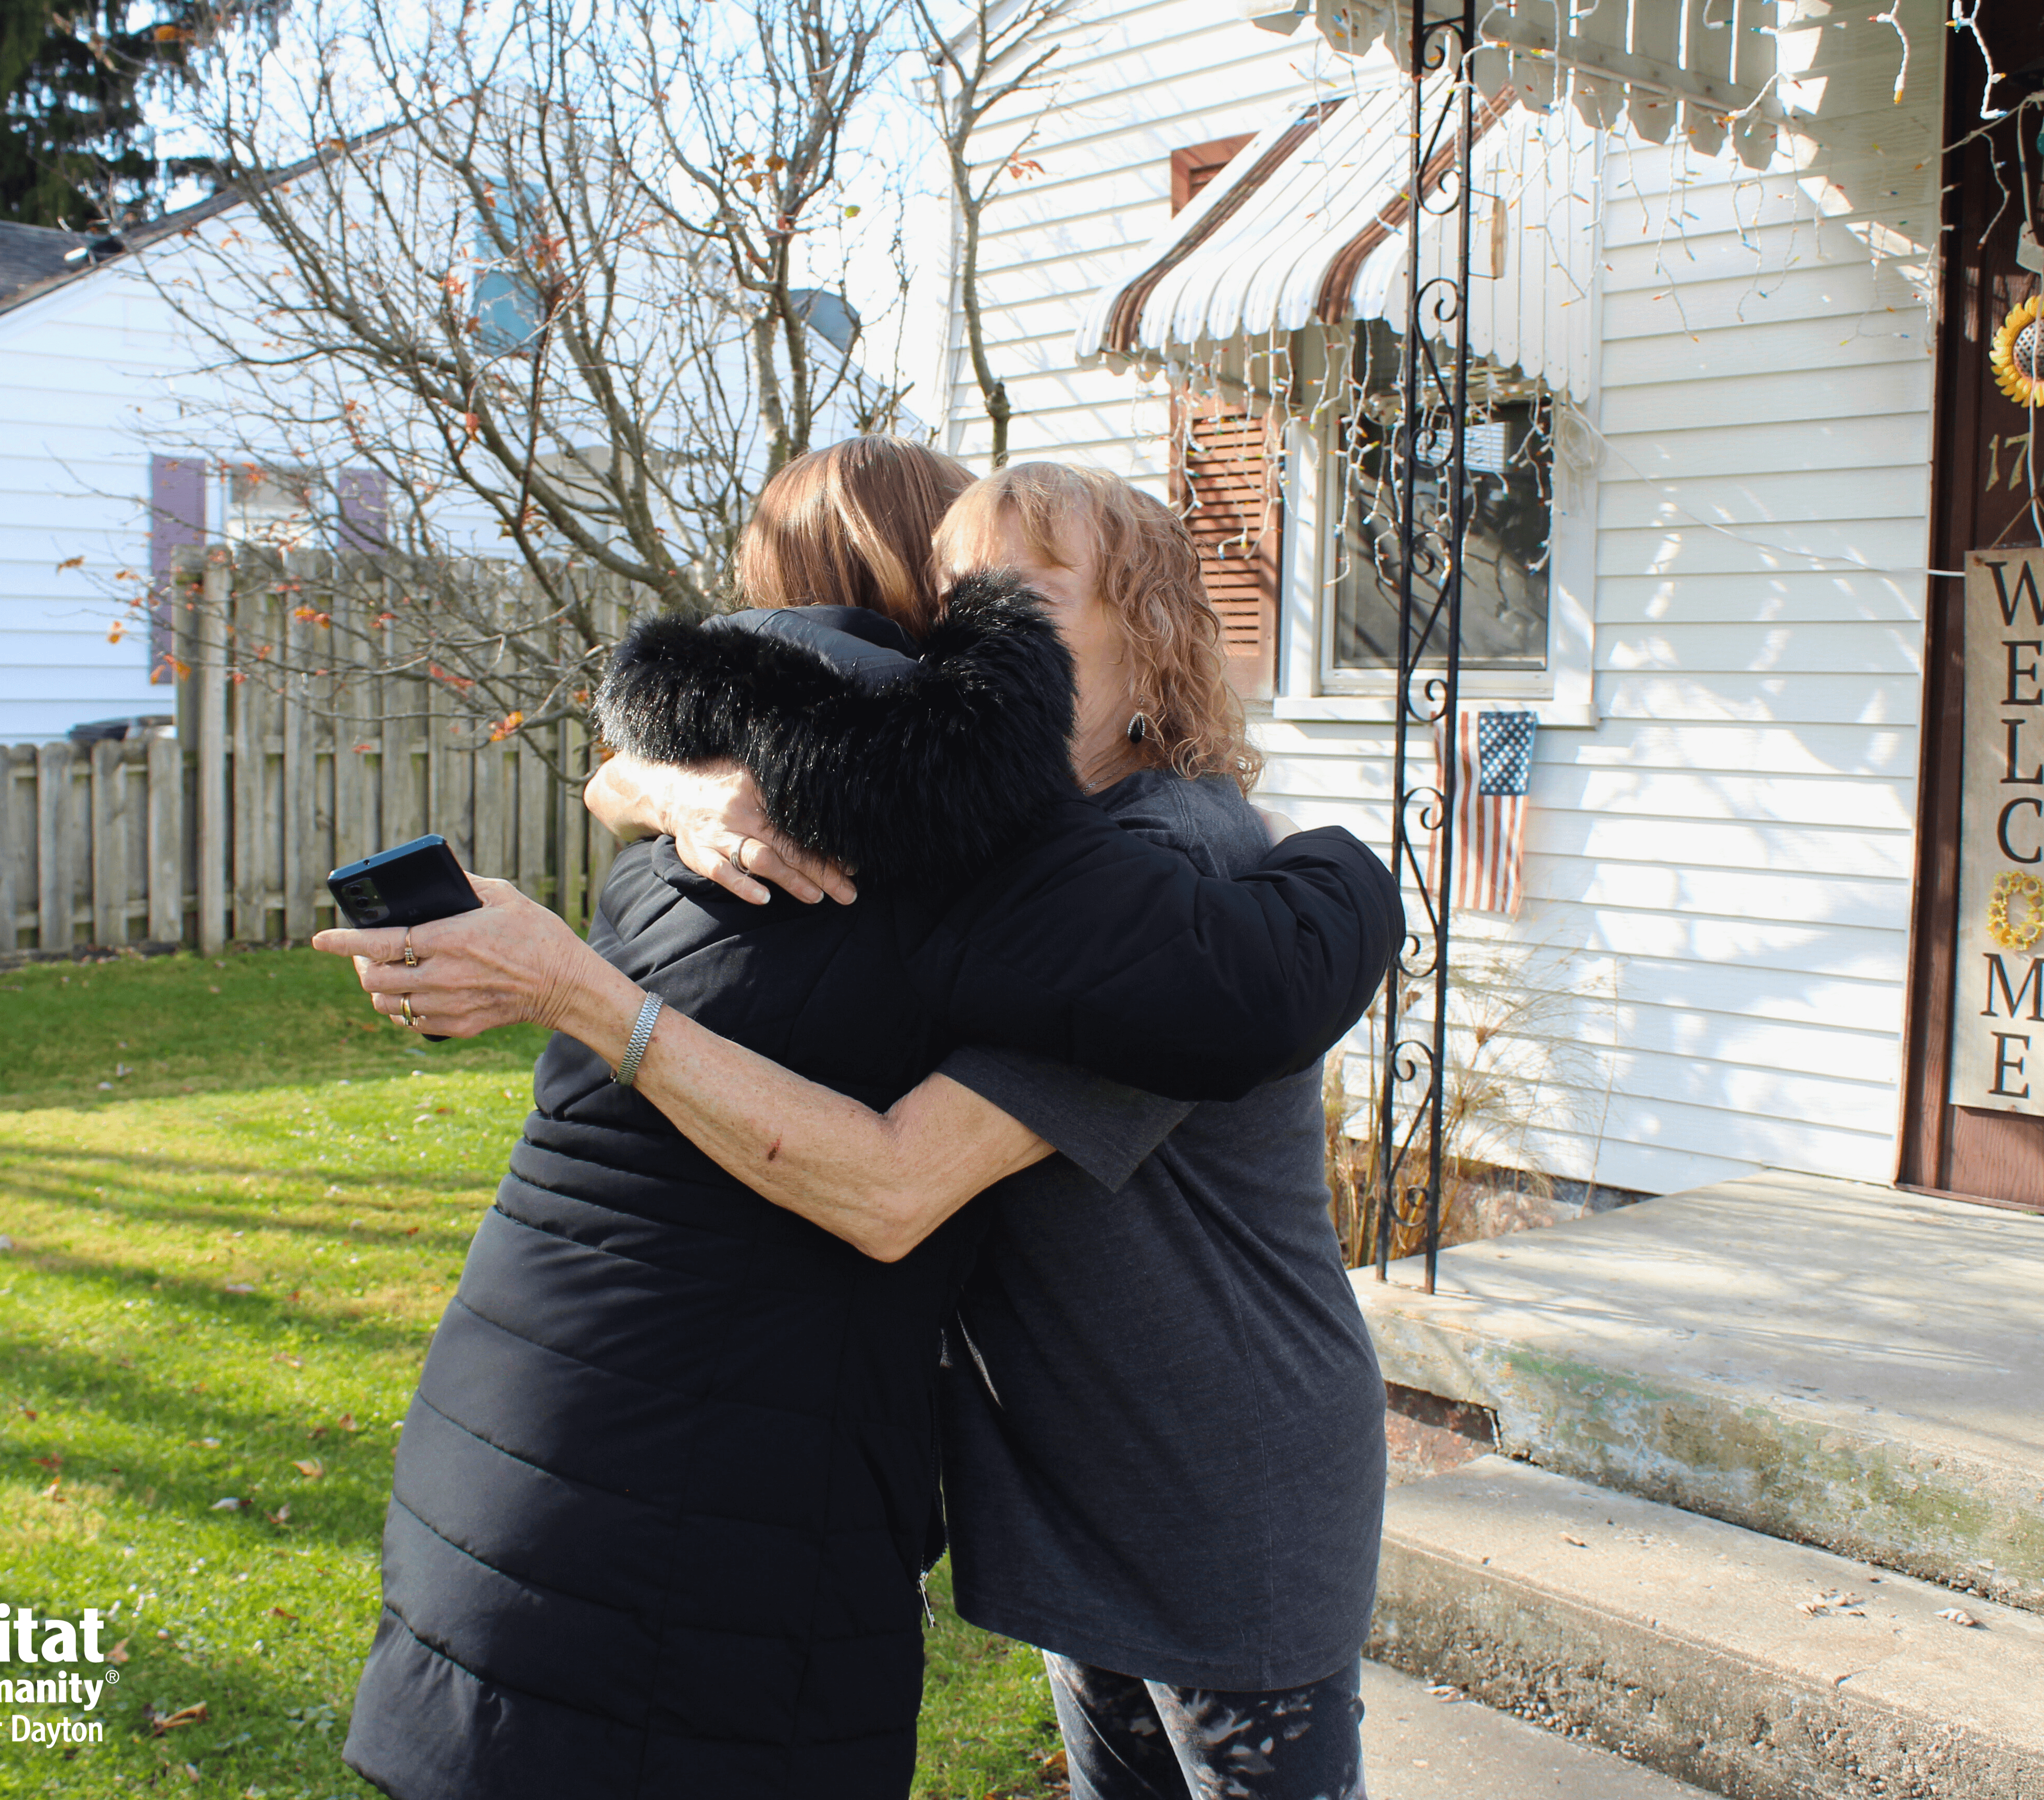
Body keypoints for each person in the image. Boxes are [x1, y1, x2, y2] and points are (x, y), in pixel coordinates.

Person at [318, 438, 1401, 1800]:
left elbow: (898, 1185)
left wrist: (1351, 885)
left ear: (1158, 647)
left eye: (1030, 607)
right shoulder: (961, 853)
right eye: (960, 610)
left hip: (1217, 1497)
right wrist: (666, 780)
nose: (980, 649)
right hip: (1079, 1480)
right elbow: (712, 751)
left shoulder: (1146, 877)